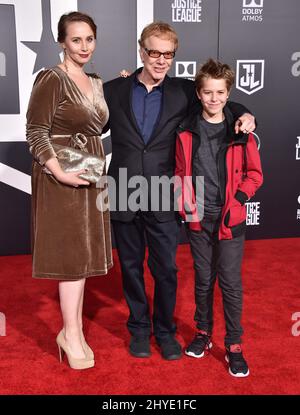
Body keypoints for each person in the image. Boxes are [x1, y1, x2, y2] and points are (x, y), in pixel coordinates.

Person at [103, 21, 256, 361]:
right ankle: (139, 329)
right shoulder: (113, 90)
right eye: (153, 52)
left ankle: (165, 332)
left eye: (167, 54)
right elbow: (90, 124)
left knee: (165, 269)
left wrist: (247, 115)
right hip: (124, 187)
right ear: (141, 50)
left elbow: (222, 104)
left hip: (164, 189)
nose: (160, 60)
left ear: (173, 56)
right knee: (129, 266)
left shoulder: (185, 92)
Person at [26, 12, 113, 370]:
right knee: (70, 261)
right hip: (60, 178)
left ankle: (72, 332)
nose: (84, 46)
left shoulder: (95, 79)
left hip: (90, 172)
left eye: (89, 39)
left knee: (82, 259)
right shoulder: (52, 78)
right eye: (76, 40)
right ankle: (71, 333)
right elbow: (35, 132)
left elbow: (97, 123)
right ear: (62, 41)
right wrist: (59, 171)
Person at [175, 58, 263, 376]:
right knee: (202, 281)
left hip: (230, 221)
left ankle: (235, 345)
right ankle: (203, 333)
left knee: (230, 284)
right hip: (198, 221)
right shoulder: (184, 131)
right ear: (198, 93)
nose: (214, 99)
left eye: (220, 92)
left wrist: (238, 201)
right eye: (208, 92)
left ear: (229, 94)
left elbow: (255, 175)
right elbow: (180, 172)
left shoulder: (240, 129)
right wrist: (184, 203)